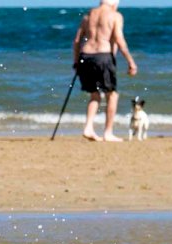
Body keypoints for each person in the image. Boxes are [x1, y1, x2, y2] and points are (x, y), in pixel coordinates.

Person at [72, 0, 137, 142]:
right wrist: (130, 62)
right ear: (114, 3)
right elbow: (119, 40)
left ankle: (88, 128)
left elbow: (77, 40)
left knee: (94, 94)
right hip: (103, 56)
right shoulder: (115, 15)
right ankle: (108, 132)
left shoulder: (88, 15)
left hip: (86, 56)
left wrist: (76, 61)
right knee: (112, 95)